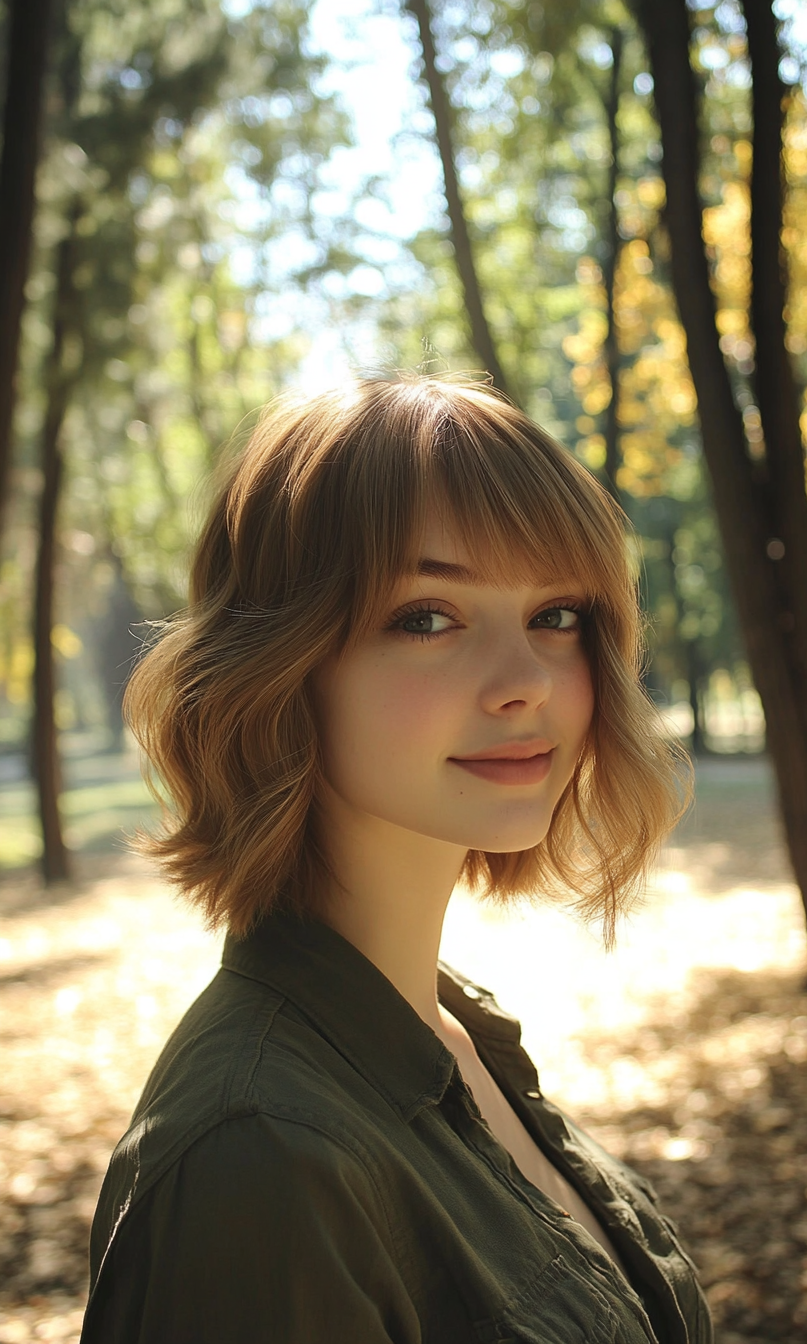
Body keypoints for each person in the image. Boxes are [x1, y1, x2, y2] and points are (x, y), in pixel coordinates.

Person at [80, 375, 711, 1343]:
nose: (524, 683)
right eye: (427, 616)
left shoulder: (452, 1035)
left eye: (555, 616)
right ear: (282, 667)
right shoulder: (258, 1161)